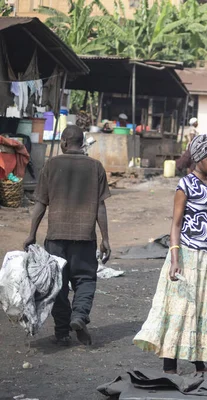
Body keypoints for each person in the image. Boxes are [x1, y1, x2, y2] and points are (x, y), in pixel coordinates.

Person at [134, 132, 207, 375]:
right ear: (198, 159)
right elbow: (175, 225)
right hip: (184, 255)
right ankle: (169, 368)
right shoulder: (185, 185)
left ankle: (200, 366)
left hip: (204, 257)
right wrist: (175, 259)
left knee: (199, 311)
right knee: (177, 309)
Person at [24, 125, 111, 346]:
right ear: (82, 143)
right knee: (85, 279)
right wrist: (105, 239)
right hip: (84, 237)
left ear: (63, 142)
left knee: (58, 286)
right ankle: (79, 316)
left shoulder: (51, 165)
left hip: (56, 237)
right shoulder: (96, 167)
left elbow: (40, 205)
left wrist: (31, 234)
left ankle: (62, 332)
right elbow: (100, 206)